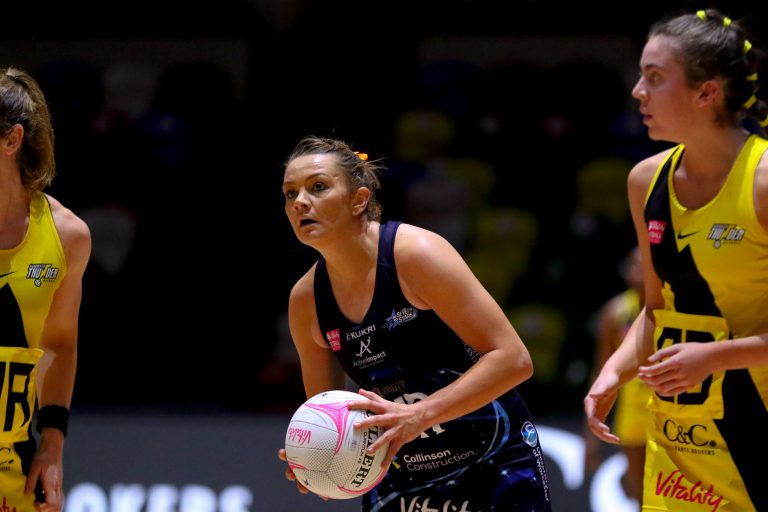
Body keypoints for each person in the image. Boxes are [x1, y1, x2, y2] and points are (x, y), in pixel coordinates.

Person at [277, 135, 551, 511]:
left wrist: (419, 415)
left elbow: (514, 360)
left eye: (318, 187)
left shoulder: (415, 255)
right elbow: (328, 412)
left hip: (492, 460)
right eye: (290, 194)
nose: (300, 203)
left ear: (359, 200)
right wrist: (321, 459)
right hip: (399, 481)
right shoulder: (306, 300)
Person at [584, 8, 768, 511]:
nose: (638, 91)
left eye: (655, 78)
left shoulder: (763, 181)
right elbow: (655, 309)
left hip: (755, 440)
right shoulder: (645, 180)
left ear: (706, 93)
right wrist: (613, 374)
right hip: (678, 448)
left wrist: (715, 357)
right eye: (640, 76)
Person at [0, 67, 91, 511]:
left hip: (11, 469)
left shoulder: (66, 236)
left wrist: (52, 442)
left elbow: (59, 343)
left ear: (11, 139)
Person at [584, 246, 650, 507]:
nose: (636, 271)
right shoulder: (615, 312)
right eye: (632, 264)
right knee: (640, 496)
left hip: (669, 409)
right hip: (632, 413)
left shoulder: (675, 305)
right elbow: (602, 369)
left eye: (641, 264)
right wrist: (589, 437)